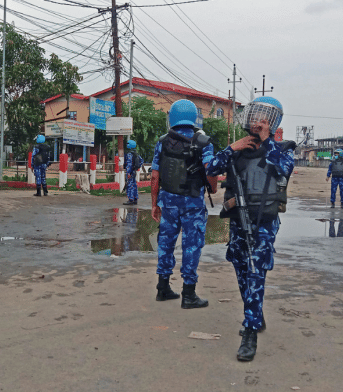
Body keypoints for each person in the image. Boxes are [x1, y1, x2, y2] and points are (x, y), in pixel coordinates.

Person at [206, 96, 295, 362]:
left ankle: (250, 330)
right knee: (242, 270)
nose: (258, 122)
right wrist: (232, 147)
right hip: (238, 221)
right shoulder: (238, 150)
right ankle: (254, 311)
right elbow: (210, 168)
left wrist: (268, 141)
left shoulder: (282, 149)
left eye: (264, 119)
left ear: (272, 123)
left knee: (256, 272)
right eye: (256, 117)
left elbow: (285, 169)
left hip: (264, 223)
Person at [151, 99, 216, 310]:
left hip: (168, 202)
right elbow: (210, 170)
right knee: (191, 246)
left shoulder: (162, 141)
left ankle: (163, 288)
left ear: (173, 117)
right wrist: (213, 188)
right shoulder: (204, 142)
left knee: (165, 243)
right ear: (193, 117)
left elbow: (154, 176)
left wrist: (154, 204)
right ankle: (189, 294)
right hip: (193, 204)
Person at [124, 139, 142, 205]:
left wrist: (128, 173)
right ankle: (135, 199)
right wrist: (136, 168)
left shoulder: (129, 154)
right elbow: (141, 161)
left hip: (131, 172)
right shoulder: (136, 154)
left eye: (128, 144)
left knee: (130, 185)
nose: (127, 145)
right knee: (134, 185)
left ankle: (131, 199)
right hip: (134, 171)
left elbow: (129, 164)